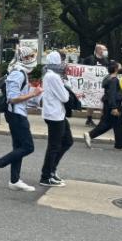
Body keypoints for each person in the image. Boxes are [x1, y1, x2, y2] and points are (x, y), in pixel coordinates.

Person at [0, 47, 41, 191]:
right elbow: (12, 99)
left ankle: (14, 180)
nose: (33, 58)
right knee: (28, 147)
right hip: (16, 115)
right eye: (31, 56)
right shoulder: (18, 73)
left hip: (17, 113)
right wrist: (33, 94)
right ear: (25, 58)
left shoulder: (20, 72)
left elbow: (20, 96)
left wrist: (35, 98)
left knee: (19, 147)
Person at [39, 51, 71, 187]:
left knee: (67, 141)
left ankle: (51, 170)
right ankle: (46, 176)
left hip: (56, 114)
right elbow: (65, 97)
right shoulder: (53, 77)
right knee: (54, 146)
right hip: (55, 115)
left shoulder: (50, 74)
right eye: (61, 60)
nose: (63, 63)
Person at [84, 61, 122, 151]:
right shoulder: (114, 80)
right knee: (114, 125)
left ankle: (119, 145)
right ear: (116, 68)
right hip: (114, 105)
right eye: (119, 65)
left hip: (109, 104)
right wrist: (114, 108)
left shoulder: (108, 77)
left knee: (113, 124)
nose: (121, 66)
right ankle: (90, 135)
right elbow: (112, 94)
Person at [80, 44, 108, 127]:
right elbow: (82, 68)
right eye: (104, 49)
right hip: (91, 85)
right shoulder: (90, 59)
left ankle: (103, 121)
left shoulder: (106, 60)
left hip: (102, 85)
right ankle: (89, 120)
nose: (105, 51)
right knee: (91, 102)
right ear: (98, 50)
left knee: (103, 103)